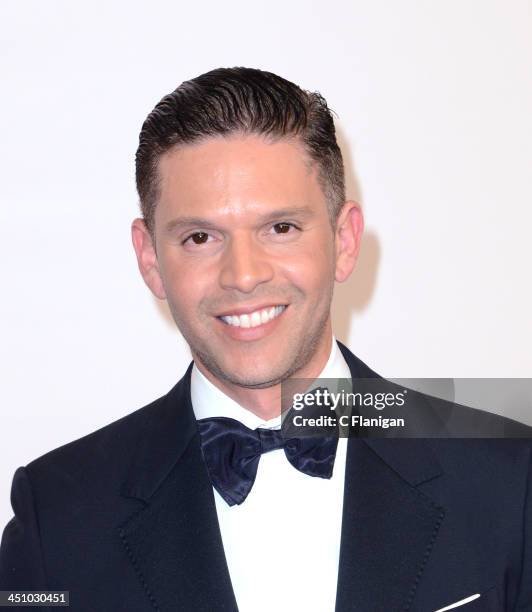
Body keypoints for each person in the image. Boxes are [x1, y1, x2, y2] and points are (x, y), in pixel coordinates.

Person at [0, 67, 531, 612]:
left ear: (344, 241)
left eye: (281, 228)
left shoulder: (508, 478)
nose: (244, 275)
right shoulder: (58, 515)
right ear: (151, 259)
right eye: (200, 237)